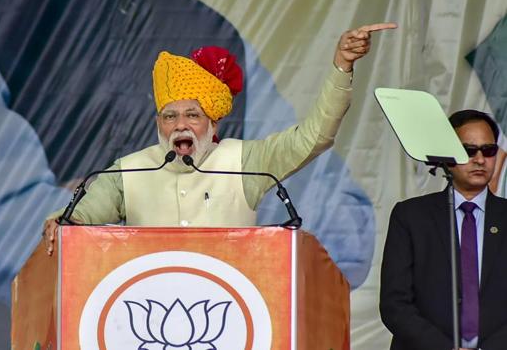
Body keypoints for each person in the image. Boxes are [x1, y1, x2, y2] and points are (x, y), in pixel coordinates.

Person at [43, 22, 397, 255]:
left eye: (193, 115)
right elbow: (84, 212)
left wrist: (342, 65)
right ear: (158, 124)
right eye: (170, 116)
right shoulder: (131, 170)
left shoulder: (245, 162)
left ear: (213, 126)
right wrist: (62, 218)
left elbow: (314, 136)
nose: (180, 125)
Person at [380, 110, 507, 350]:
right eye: (468, 151)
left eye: (488, 150)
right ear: (448, 155)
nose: (479, 159)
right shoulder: (411, 216)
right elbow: (394, 304)